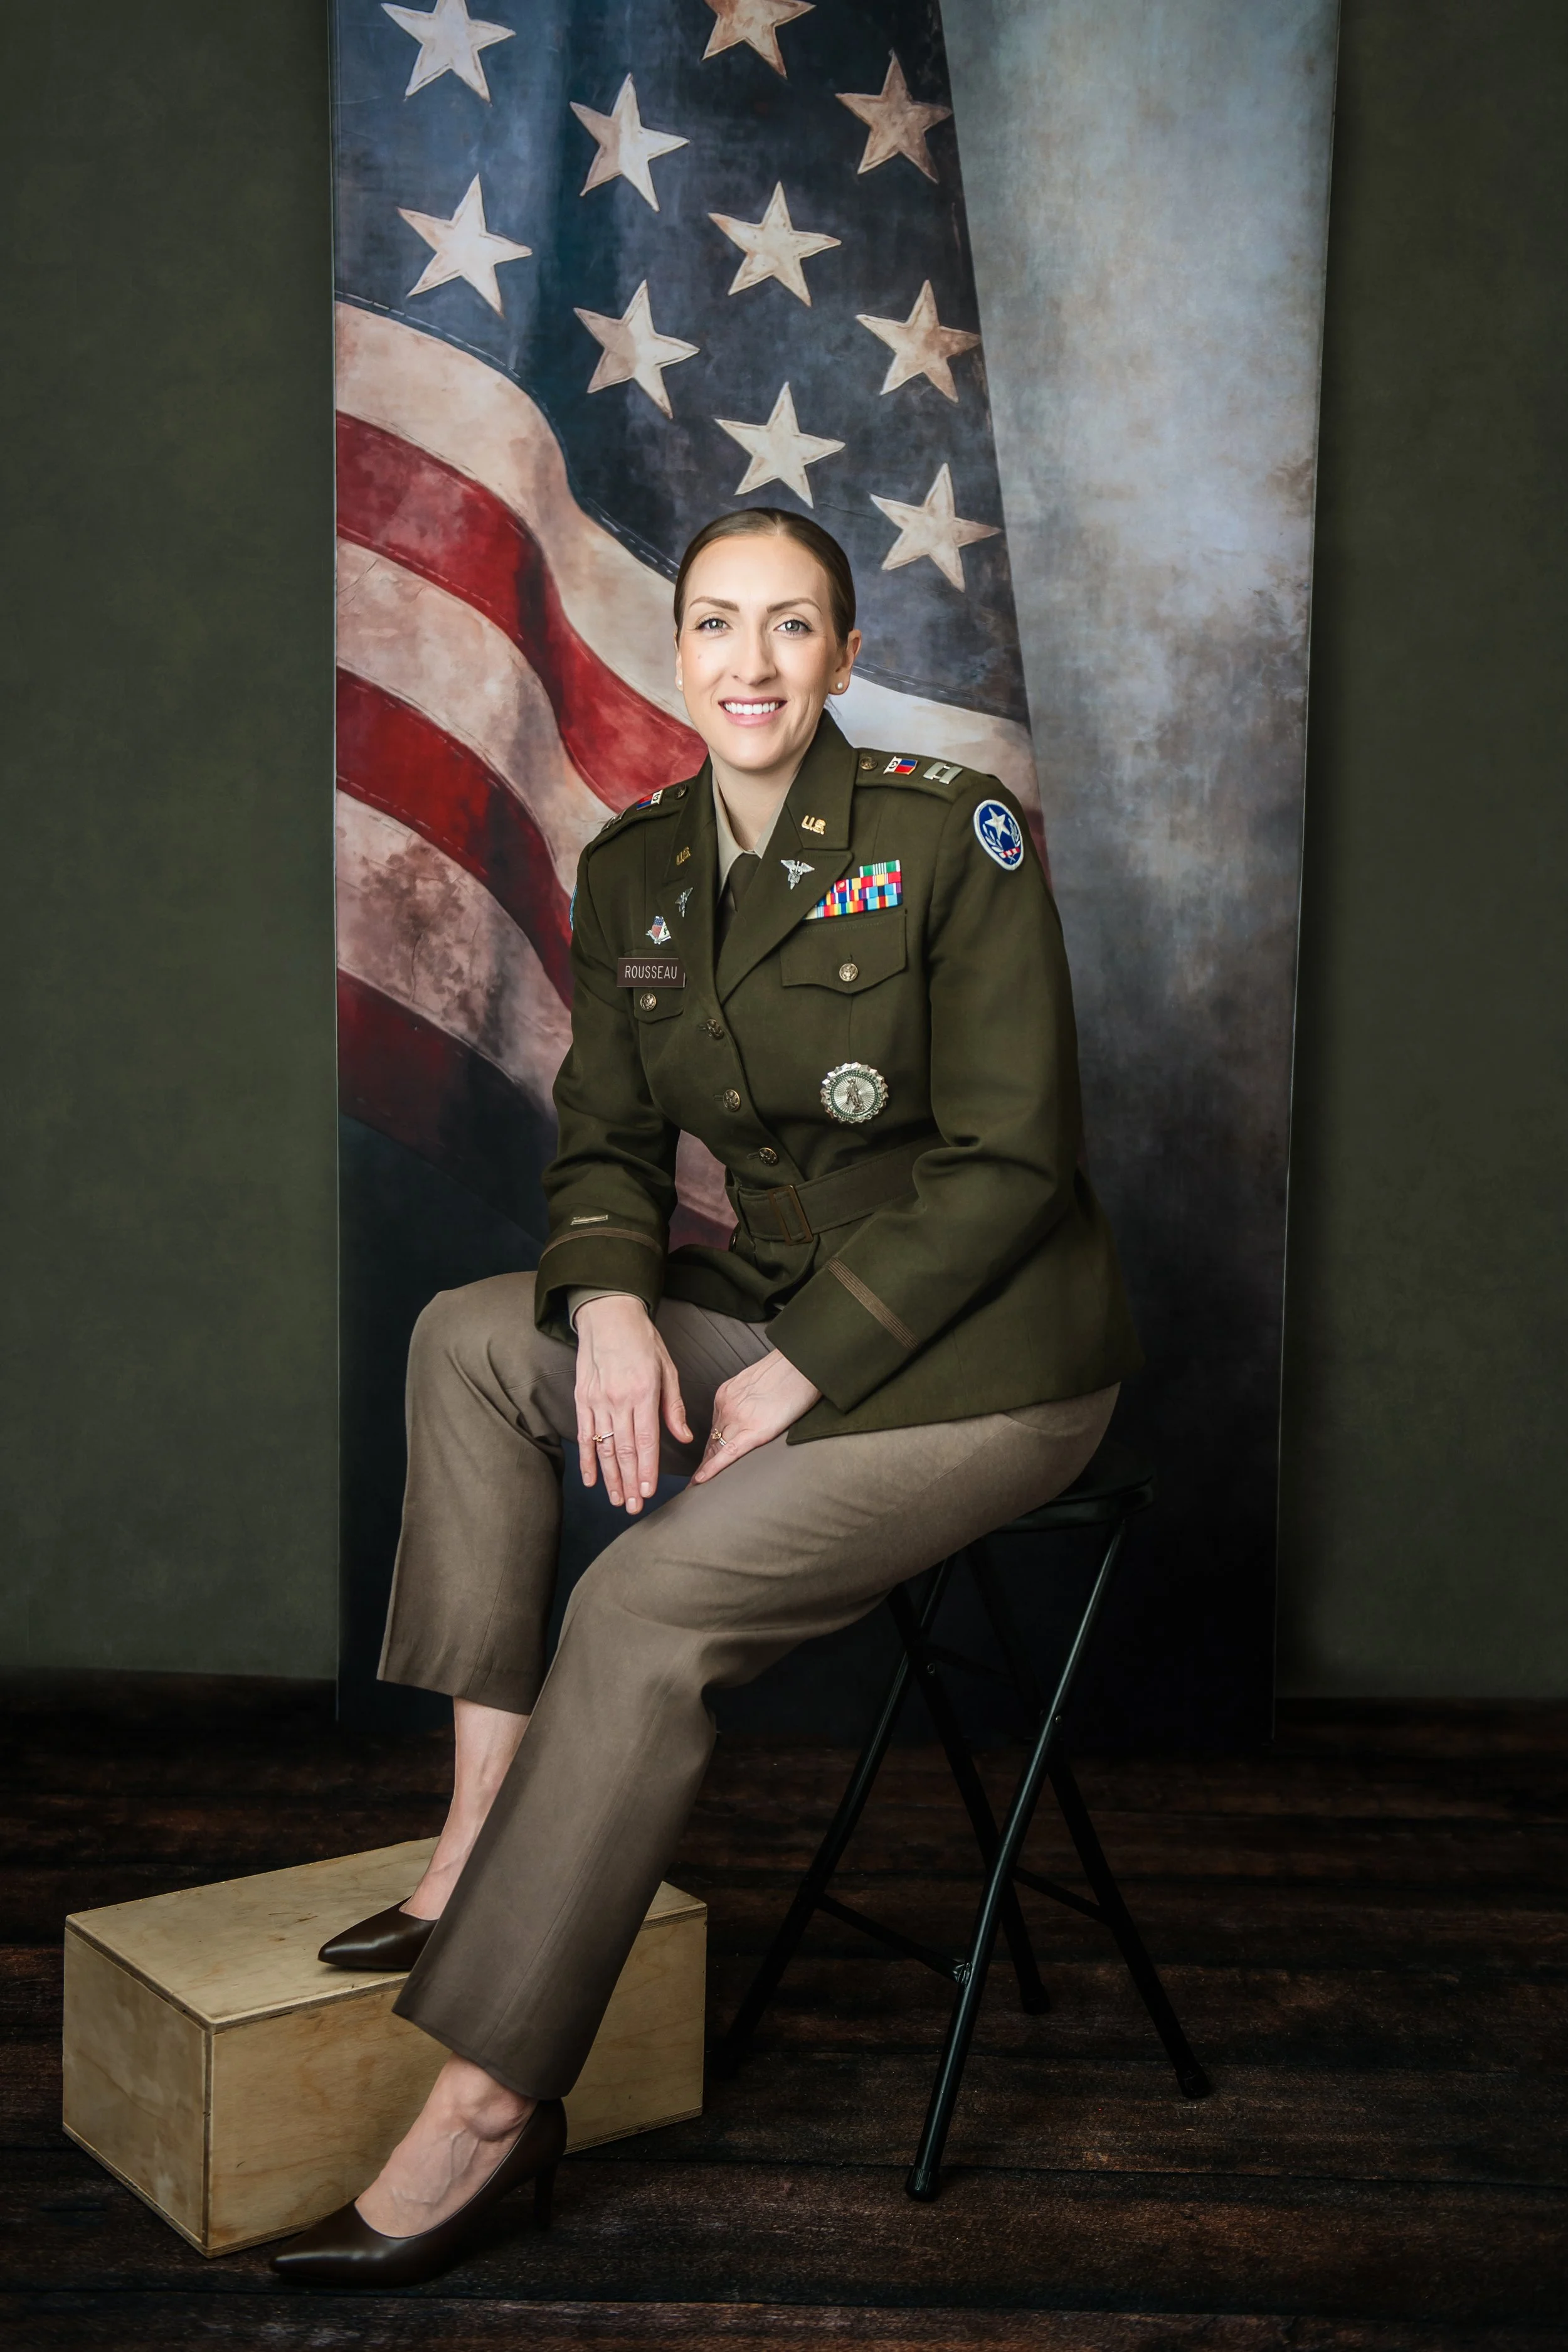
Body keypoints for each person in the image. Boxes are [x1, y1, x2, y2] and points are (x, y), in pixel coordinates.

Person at [272, 508, 1142, 2287]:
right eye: (718, 626)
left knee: (643, 1598)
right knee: (471, 1339)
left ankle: (490, 2103)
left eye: (792, 626)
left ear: (844, 653)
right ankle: (475, 1842)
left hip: (986, 1366)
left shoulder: (946, 838)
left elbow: (1014, 1162)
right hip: (779, 1307)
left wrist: (799, 1373)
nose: (751, 663)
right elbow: (601, 1135)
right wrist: (607, 1305)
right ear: (676, 651)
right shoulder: (637, 865)